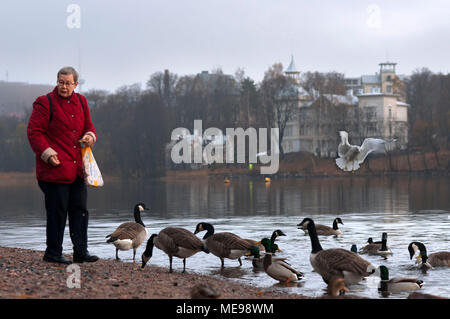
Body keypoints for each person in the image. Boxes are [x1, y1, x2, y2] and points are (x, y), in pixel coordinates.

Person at [27, 66, 99, 264]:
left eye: (68, 83)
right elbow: (34, 132)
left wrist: (90, 136)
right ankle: (52, 253)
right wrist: (47, 154)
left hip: (77, 169)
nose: (64, 86)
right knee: (57, 212)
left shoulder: (82, 101)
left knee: (80, 210)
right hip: (54, 169)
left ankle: (81, 252)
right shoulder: (45, 102)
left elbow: (89, 126)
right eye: (60, 82)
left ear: (76, 84)